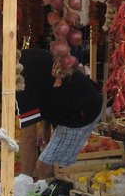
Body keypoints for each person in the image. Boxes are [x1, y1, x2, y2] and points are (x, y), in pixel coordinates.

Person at [15, 48, 103, 179]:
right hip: (72, 104)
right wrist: (44, 125)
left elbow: (28, 137)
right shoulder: (26, 57)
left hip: (81, 110)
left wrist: (24, 179)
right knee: (49, 165)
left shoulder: (20, 81)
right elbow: (46, 89)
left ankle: (60, 194)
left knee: (45, 167)